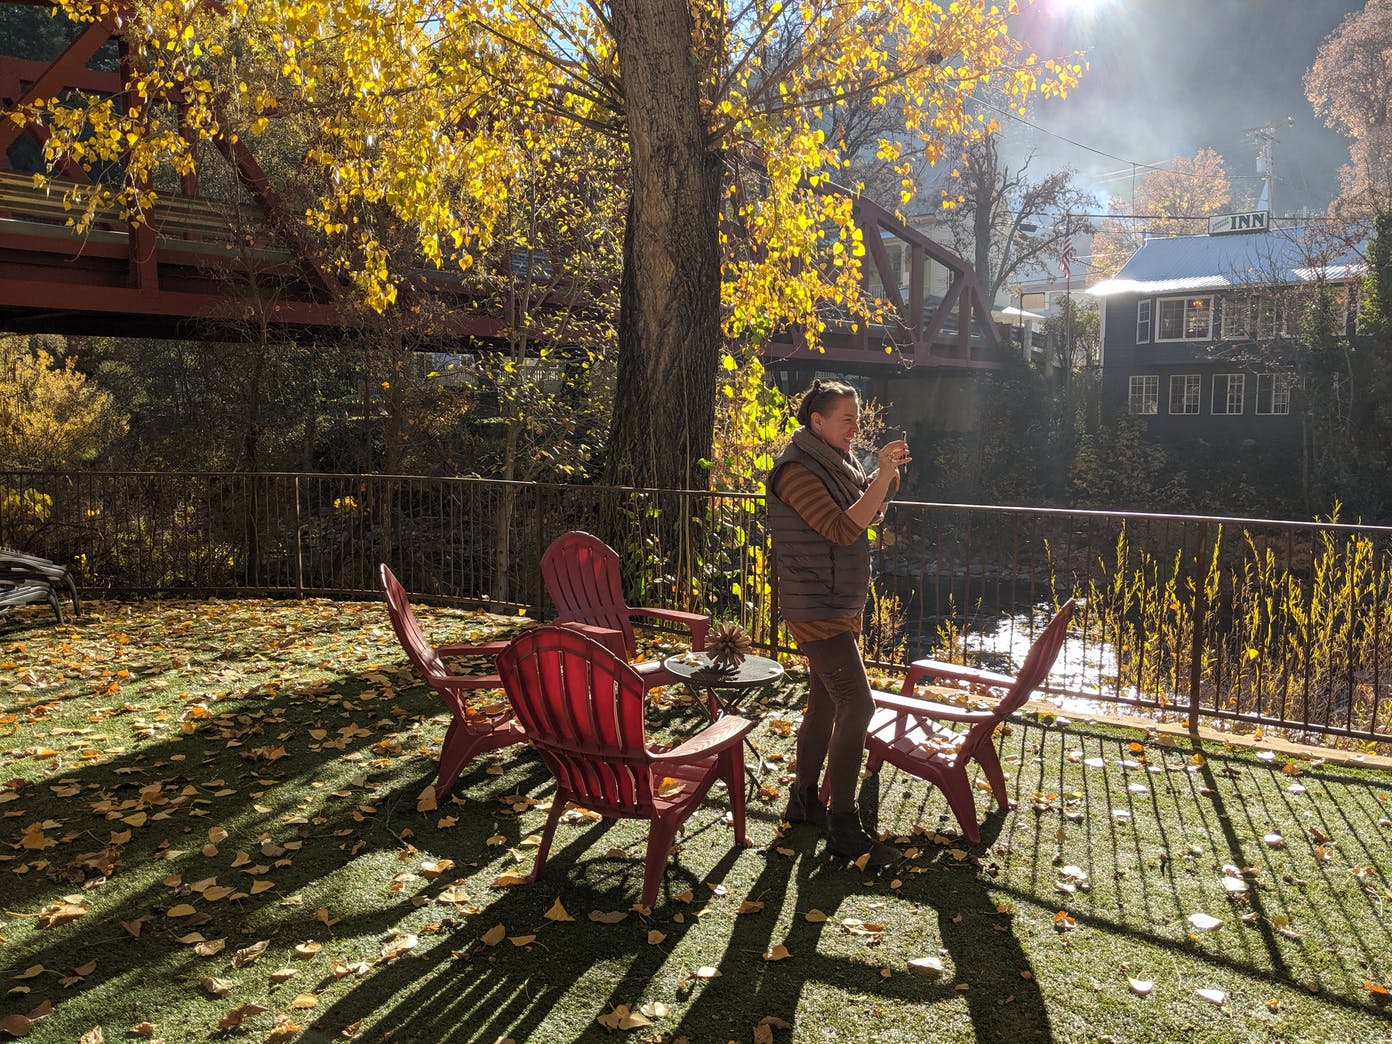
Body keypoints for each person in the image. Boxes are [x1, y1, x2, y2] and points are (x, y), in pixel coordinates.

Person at [766, 379, 910, 869]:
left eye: (856, 417)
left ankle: (804, 800)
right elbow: (843, 527)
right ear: (818, 422)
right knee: (859, 703)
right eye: (846, 418)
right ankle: (844, 826)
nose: (855, 427)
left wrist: (884, 474)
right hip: (815, 606)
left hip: (835, 601)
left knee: (825, 703)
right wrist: (877, 478)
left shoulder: (838, 463)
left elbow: (870, 513)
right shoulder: (796, 471)